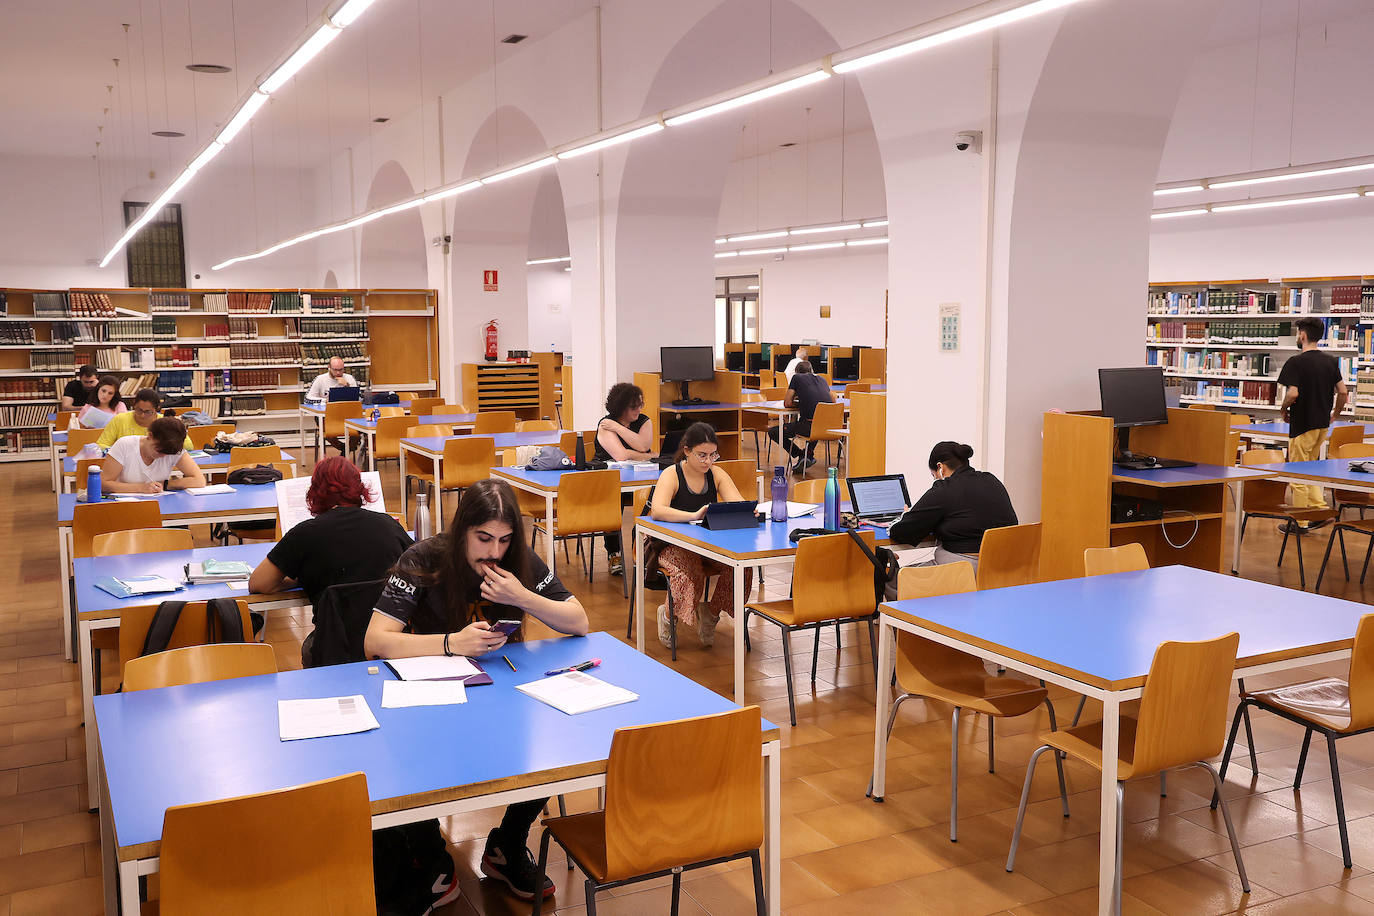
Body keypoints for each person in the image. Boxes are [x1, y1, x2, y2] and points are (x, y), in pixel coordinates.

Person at [364, 478, 587, 904]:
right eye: (483, 538)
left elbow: (578, 621)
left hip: (503, 688)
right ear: (462, 529)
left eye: (504, 540)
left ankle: (506, 844)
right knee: (407, 760)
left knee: (550, 743)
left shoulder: (518, 562)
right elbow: (375, 641)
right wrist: (451, 643)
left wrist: (524, 596)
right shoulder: (424, 558)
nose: (494, 552)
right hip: (431, 693)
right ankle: (430, 853)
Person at [249, 456, 413, 666]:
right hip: (391, 645)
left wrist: (300, 577)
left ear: (315, 492)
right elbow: (417, 572)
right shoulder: (389, 525)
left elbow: (258, 584)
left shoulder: (305, 533)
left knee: (309, 647)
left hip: (333, 650)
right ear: (359, 488)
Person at [647, 422, 751, 648]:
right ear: (687, 451)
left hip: (706, 544)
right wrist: (692, 515)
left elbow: (737, 501)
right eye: (701, 455)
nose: (708, 461)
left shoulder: (716, 473)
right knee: (689, 573)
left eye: (713, 455)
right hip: (670, 544)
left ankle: (711, 614)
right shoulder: (671, 474)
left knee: (742, 568)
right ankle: (668, 614)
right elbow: (658, 510)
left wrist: (747, 509)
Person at [888, 441, 1017, 575]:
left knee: (890, 579)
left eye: (934, 476)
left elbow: (902, 532)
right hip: (1005, 569)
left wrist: (905, 516)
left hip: (965, 570)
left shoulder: (944, 488)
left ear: (940, 468)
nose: (935, 480)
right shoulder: (991, 480)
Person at [1278, 316, 1348, 529]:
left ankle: (1300, 522)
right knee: (1311, 470)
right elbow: (1343, 392)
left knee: (1297, 476)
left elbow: (1292, 393)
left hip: (1302, 425)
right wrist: (1335, 413)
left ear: (1303, 335)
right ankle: (1319, 510)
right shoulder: (1331, 361)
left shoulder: (1295, 362)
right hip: (1321, 426)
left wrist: (1283, 409)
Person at [595, 382, 655, 574]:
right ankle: (615, 553)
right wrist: (646, 455)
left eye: (640, 405)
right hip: (608, 482)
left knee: (653, 498)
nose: (638, 410)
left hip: (638, 480)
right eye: (633, 406)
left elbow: (643, 445)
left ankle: (645, 551)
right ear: (620, 407)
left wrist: (619, 429)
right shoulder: (605, 424)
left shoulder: (643, 421)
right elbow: (621, 456)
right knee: (616, 503)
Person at [100, 417, 207, 494]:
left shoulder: (172, 449)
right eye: (159, 451)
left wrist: (165, 484)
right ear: (150, 436)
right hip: (125, 507)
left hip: (161, 504)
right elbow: (103, 484)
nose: (163, 457)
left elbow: (199, 480)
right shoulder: (124, 445)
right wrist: (141, 488)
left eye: (167, 454)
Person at [781, 360, 834, 475]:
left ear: (797, 372)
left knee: (775, 432)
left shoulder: (796, 378)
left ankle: (801, 455)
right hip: (827, 428)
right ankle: (808, 454)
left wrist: (801, 403)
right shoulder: (822, 379)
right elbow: (833, 401)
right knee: (814, 423)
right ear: (811, 371)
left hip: (810, 427)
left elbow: (787, 403)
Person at [96, 388, 193, 451]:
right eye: (139, 410)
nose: (142, 415)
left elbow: (188, 446)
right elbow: (101, 445)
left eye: (147, 412)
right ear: (134, 405)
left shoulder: (165, 423)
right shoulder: (119, 419)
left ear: (157, 409)